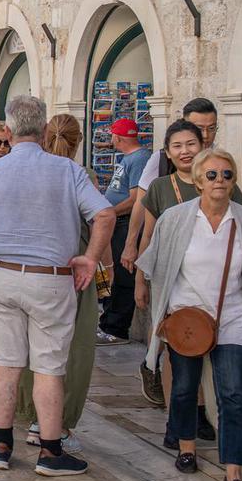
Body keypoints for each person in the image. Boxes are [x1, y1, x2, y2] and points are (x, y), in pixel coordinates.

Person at [0, 95, 114, 477]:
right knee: (48, 367)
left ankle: (0, 443)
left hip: (1, 273)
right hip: (50, 278)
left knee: (5, 364)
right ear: (42, 130)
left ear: (8, 130)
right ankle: (51, 451)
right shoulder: (67, 171)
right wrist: (89, 257)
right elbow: (104, 214)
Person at [136, 149, 242, 481]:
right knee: (183, 389)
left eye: (227, 175)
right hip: (187, 321)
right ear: (198, 181)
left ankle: (234, 472)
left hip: (233, 319)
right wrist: (160, 311)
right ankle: (186, 448)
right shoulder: (176, 219)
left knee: (234, 395)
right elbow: (152, 264)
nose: (220, 181)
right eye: (211, 175)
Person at [135, 119, 242, 431]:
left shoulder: (224, 182)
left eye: (191, 144)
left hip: (217, 288)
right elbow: (149, 235)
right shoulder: (160, 187)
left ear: (203, 146)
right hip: (173, 282)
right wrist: (139, 281)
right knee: (178, 350)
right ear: (168, 153)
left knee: (213, 356)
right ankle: (179, 418)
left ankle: (205, 414)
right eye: (177, 146)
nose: (185, 151)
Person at [14, 115, 104, 452]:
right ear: (79, 141)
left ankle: (32, 416)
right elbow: (102, 219)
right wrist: (100, 262)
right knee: (73, 347)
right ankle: (57, 423)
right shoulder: (80, 175)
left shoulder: (26, 175)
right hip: (74, 268)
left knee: (30, 343)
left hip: (31, 267)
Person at [96, 118, 153, 345]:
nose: (110, 139)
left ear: (118, 136)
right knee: (113, 273)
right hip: (115, 222)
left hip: (125, 222)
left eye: (112, 135)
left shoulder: (139, 159)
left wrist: (110, 211)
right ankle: (108, 322)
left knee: (123, 274)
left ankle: (116, 328)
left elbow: (135, 199)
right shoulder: (129, 158)